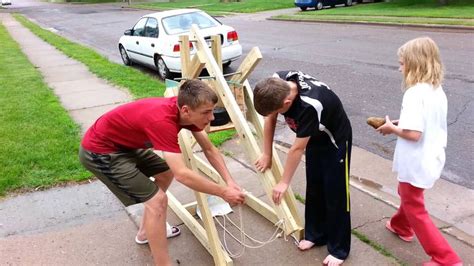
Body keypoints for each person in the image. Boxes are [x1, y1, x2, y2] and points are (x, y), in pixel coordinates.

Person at [79, 79, 245, 266]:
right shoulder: (163, 121)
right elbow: (182, 174)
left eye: (212, 110)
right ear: (185, 110)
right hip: (100, 151)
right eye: (207, 113)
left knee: (165, 173)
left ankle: (144, 233)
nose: (212, 118)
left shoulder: (188, 113)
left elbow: (209, 150)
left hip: (124, 145)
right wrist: (223, 192)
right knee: (157, 202)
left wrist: (229, 181)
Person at [377, 37, 462, 266]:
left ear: (414, 64)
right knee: (409, 194)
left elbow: (414, 134)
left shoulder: (414, 93)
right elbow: (425, 122)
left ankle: (446, 258)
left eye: (402, 63)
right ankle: (400, 225)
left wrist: (391, 128)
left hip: (417, 158)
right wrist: (400, 122)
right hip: (432, 155)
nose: (399, 67)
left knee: (414, 205)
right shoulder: (436, 89)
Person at [253, 71, 352, 266]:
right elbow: (269, 119)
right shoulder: (277, 82)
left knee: (336, 193)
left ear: (286, 104)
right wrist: (267, 154)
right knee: (315, 186)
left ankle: (339, 249)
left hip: (335, 141)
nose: (275, 115)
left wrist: (284, 182)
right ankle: (316, 234)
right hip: (312, 137)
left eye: (277, 111)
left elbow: (296, 149)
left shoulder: (310, 105)